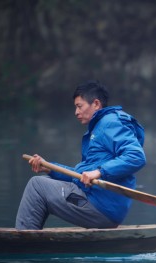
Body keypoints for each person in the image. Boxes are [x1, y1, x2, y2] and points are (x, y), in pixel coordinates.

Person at [15, 80, 146, 230]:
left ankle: (23, 241)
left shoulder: (110, 123)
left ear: (96, 104)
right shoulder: (98, 128)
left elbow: (136, 156)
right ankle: (32, 237)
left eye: (79, 106)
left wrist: (99, 172)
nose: (76, 112)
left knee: (36, 186)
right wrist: (49, 167)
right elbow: (79, 176)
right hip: (100, 204)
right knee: (43, 181)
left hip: (100, 207)